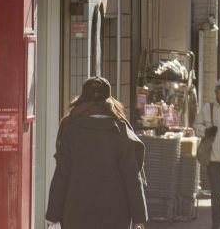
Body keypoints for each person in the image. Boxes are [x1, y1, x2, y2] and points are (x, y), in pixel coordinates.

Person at [46, 77, 147, 229]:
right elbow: (132, 177)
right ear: (109, 100)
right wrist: (139, 218)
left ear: (82, 98)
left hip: (76, 213)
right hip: (115, 214)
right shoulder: (121, 129)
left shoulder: (69, 127)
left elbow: (62, 174)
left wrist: (52, 216)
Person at [194, 79, 220, 229]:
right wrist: (205, 131)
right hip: (213, 158)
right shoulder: (208, 108)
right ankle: (216, 223)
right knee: (216, 192)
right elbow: (196, 125)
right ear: (216, 92)